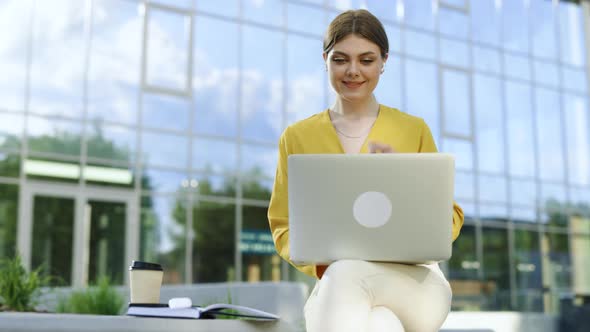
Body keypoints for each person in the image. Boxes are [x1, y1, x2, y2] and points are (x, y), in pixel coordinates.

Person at [267, 9, 464, 332]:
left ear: (384, 61)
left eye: (367, 60)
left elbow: (450, 217)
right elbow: (282, 225)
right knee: (379, 323)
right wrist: (321, 260)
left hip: (415, 284)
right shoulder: (297, 137)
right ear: (325, 59)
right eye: (341, 59)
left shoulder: (412, 129)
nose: (353, 71)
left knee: (344, 275)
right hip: (337, 285)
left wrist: (405, 180)